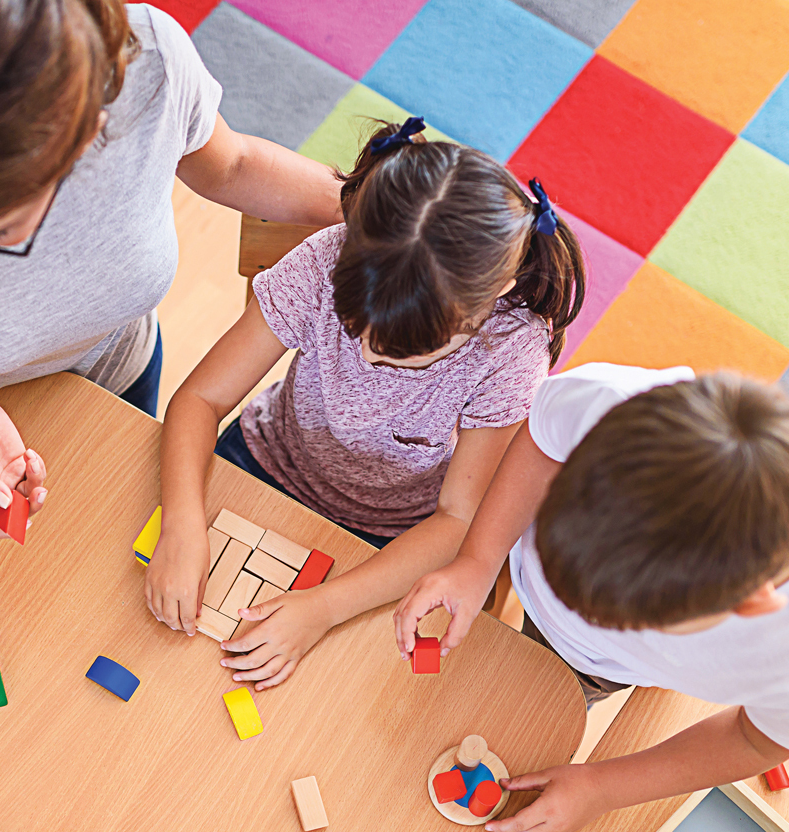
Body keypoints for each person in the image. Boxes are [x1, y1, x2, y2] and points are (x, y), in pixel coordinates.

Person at [0, 0, 343, 538]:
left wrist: (384, 207)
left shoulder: (149, 64)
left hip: (117, 376)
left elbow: (234, 164)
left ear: (83, 139)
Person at [144, 118, 584, 689]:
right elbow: (201, 398)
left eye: (406, 353)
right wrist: (181, 522)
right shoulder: (323, 262)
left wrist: (323, 608)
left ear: (488, 302)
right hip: (264, 463)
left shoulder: (510, 351)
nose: (371, 358)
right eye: (358, 330)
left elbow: (459, 518)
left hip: (393, 537)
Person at [393, 366, 789, 832]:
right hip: (514, 565)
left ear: (749, 605)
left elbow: (755, 739)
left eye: (642, 620)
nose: (573, 610)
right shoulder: (608, 404)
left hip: (598, 667)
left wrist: (601, 787)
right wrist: (479, 557)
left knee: (528, 721)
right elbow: (543, 439)